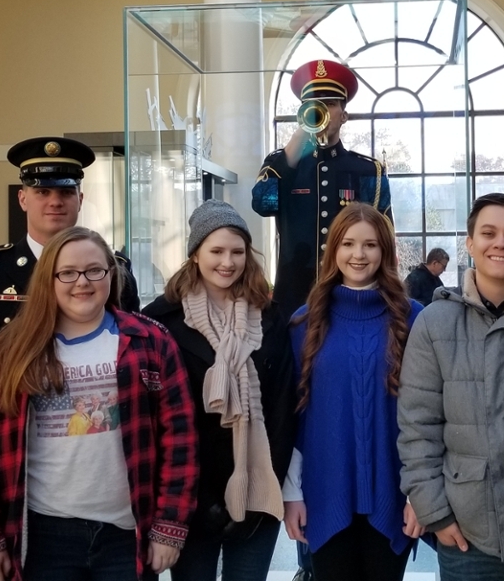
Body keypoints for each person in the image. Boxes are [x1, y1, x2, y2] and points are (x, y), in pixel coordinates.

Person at [0, 226, 198, 581]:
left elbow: (180, 440)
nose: (81, 282)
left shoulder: (151, 342)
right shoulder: (10, 352)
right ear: (48, 280)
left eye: (94, 270)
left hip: (126, 534)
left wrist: (169, 526)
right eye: (67, 273)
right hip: (43, 536)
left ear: (110, 276)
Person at [397, 193, 504, 580]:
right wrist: (434, 511)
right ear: (470, 244)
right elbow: (417, 426)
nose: (500, 243)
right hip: (466, 535)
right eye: (488, 233)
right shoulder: (436, 323)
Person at [142, 200, 297, 581]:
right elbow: (161, 420)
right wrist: (203, 500)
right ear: (195, 255)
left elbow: (282, 409)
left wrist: (266, 489)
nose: (227, 262)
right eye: (216, 251)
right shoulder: (161, 322)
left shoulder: (269, 317)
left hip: (258, 492)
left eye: (237, 252)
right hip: (192, 498)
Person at [282, 202, 424, 581]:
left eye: (371, 245)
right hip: (325, 492)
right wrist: (291, 492)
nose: (358, 254)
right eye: (348, 244)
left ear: (385, 252)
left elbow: (428, 412)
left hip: (394, 494)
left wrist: (419, 495)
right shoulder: (304, 322)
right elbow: (295, 416)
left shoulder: (414, 318)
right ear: (333, 251)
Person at [0, 136, 142, 409]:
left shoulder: (114, 271)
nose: (55, 202)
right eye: (42, 192)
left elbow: (134, 353)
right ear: (23, 198)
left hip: (99, 419)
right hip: (14, 424)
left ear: (80, 199)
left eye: (66, 192)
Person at [252, 59, 393, 321]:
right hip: (293, 303)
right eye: (312, 105)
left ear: (344, 114)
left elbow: (385, 241)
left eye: (329, 103)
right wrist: (293, 148)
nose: (320, 110)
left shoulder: (367, 171)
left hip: (353, 300)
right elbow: (262, 204)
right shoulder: (282, 165)